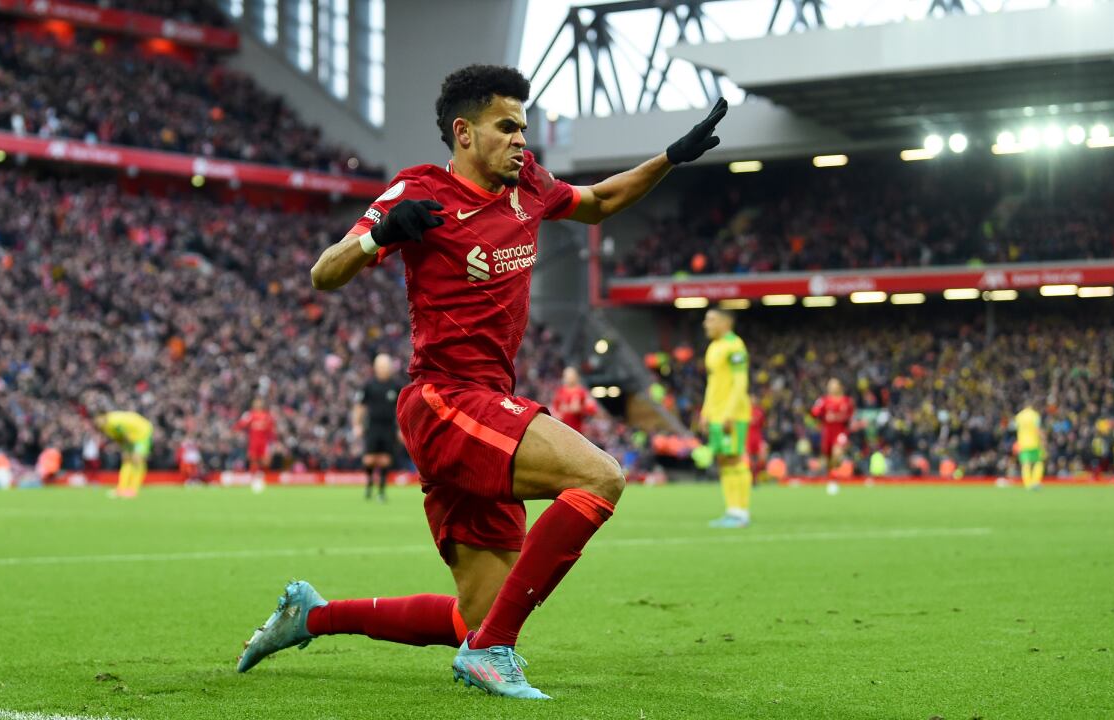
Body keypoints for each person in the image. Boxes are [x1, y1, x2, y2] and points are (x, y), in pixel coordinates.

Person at [236, 64, 728, 699]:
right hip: (445, 400)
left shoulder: (529, 186)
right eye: (507, 126)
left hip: (487, 404)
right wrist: (380, 236)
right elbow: (323, 274)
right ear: (464, 133)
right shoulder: (417, 190)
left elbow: (601, 201)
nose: (522, 139)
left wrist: (670, 158)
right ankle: (495, 651)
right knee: (600, 476)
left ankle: (314, 616)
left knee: (475, 614)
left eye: (523, 126)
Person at [699, 308, 753, 528]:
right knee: (723, 461)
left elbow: (740, 382)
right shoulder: (713, 347)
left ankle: (741, 513)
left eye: (711, 319)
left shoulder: (735, 346)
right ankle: (732, 510)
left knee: (734, 458)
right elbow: (713, 384)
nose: (706, 323)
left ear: (725, 323)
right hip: (716, 415)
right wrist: (705, 411)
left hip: (734, 414)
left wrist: (730, 412)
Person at [353, 353, 402, 502]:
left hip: (388, 427)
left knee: (385, 459)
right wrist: (357, 425)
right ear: (375, 367)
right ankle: (369, 483)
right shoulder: (368, 385)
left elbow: (401, 410)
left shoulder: (396, 386)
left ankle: (381, 491)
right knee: (369, 459)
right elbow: (360, 406)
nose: (383, 369)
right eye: (381, 366)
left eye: (386, 366)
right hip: (372, 426)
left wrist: (401, 429)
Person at [94, 410, 153, 498]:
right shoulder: (106, 427)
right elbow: (120, 438)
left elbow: (125, 435)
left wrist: (129, 447)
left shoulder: (113, 421)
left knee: (137, 460)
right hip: (132, 436)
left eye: (99, 419)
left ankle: (133, 490)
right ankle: (121, 489)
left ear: (104, 416)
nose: (98, 423)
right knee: (127, 461)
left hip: (142, 432)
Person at [811, 378, 854, 472]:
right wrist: (822, 419)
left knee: (837, 453)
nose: (831, 387)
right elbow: (814, 413)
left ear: (839, 387)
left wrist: (837, 418)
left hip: (840, 431)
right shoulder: (824, 400)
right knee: (827, 458)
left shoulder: (846, 401)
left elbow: (850, 416)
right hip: (827, 432)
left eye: (833, 385)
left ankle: (837, 468)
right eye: (830, 385)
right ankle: (831, 474)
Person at [550, 367, 598, 436]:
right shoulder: (559, 392)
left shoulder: (582, 392)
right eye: (567, 376)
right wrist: (557, 415)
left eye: (571, 376)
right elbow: (554, 409)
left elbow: (593, 409)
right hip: (562, 431)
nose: (569, 379)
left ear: (576, 377)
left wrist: (580, 408)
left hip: (578, 431)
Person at [233, 398, 277, 473]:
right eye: (256, 403)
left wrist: (274, 440)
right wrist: (235, 429)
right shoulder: (250, 414)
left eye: (259, 403)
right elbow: (241, 424)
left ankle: (263, 476)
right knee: (253, 460)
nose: (258, 404)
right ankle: (254, 478)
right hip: (253, 442)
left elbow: (271, 430)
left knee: (266, 461)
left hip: (264, 442)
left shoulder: (267, 416)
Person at [1015, 401, 1044, 489]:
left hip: (1023, 443)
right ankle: (1035, 482)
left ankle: (1027, 484)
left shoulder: (1018, 416)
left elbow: (1016, 429)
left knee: (1025, 464)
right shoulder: (1035, 415)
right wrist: (1043, 438)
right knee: (1038, 462)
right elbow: (1037, 428)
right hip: (1034, 442)